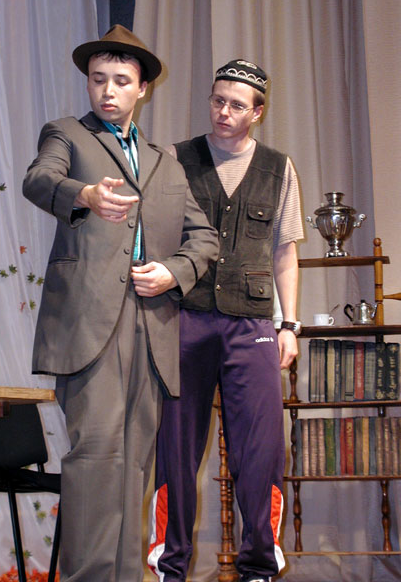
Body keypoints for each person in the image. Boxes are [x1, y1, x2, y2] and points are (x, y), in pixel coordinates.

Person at [22, 24, 219, 582]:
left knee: (135, 464)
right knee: (96, 457)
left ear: (142, 89)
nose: (108, 90)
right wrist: (83, 194)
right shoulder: (67, 134)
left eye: (121, 81)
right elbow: (39, 179)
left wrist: (173, 271)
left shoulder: (165, 161)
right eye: (98, 79)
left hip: (152, 324)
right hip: (90, 321)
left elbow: (204, 238)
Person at [148, 59, 304, 582]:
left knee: (260, 450)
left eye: (237, 105)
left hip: (252, 325)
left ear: (257, 113)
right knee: (175, 449)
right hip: (184, 320)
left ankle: (258, 566)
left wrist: (290, 325)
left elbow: (284, 252)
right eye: (218, 100)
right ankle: (170, 566)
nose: (223, 111)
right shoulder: (176, 159)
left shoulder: (279, 168)